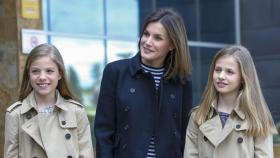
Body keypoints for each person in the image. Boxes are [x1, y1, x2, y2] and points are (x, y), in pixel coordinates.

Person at [94, 8, 192, 158]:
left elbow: (185, 134)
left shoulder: (182, 80)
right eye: (146, 34)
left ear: (172, 45)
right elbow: (103, 132)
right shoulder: (115, 72)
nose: (147, 42)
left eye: (157, 38)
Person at [183, 45, 278, 158]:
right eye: (218, 70)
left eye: (229, 72)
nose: (221, 76)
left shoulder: (258, 118)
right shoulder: (198, 116)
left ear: (243, 78)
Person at [4, 43, 94, 158]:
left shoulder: (76, 111)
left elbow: (86, 154)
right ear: (28, 74)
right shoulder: (15, 114)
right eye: (35, 71)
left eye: (49, 71)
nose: (42, 77)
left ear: (59, 74)